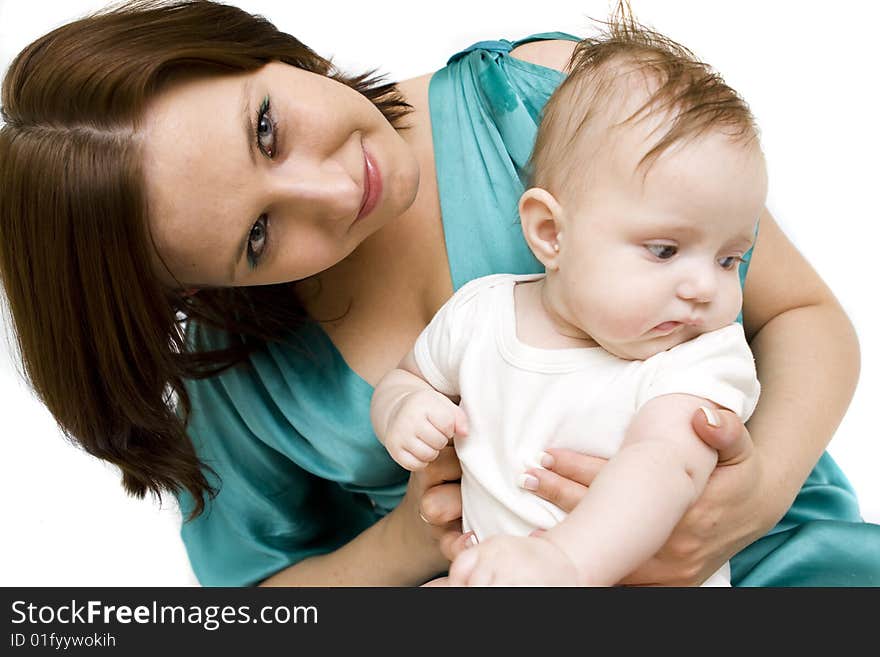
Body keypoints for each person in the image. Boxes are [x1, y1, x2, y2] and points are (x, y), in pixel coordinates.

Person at [0, 0, 877, 586]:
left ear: (253, 48)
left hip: (785, 564)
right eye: (259, 237)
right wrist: (413, 539)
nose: (337, 189)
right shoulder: (234, 372)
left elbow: (806, 317)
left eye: (267, 129)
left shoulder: (547, 105)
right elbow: (261, 601)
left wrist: (737, 508)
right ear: (204, 284)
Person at [371, 24, 764, 586]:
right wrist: (402, 410)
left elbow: (664, 464)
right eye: (665, 250)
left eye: (730, 259)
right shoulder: (481, 312)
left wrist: (565, 562)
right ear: (551, 233)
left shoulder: (699, 358)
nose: (705, 287)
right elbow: (407, 379)